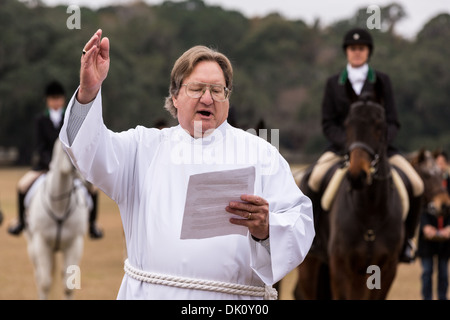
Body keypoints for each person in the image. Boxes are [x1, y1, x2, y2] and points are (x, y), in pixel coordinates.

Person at [59, 29, 315, 300]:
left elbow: (299, 223)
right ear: (176, 95)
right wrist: (89, 91)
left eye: (217, 90)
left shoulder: (261, 154)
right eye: (197, 88)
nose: (208, 98)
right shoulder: (141, 148)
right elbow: (88, 152)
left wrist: (267, 228)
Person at [303, 27, 424, 263]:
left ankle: (407, 241)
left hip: (381, 151)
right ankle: (314, 239)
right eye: (352, 48)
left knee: (417, 185)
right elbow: (328, 123)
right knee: (313, 180)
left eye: (361, 48)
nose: (357, 52)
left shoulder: (382, 81)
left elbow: (393, 121)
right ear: (346, 52)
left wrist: (378, 146)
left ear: (368, 52)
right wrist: (349, 145)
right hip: (341, 149)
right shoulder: (332, 83)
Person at [8, 80, 104, 239]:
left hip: (70, 166)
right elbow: (40, 146)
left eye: (58, 98)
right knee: (22, 186)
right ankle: (20, 222)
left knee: (93, 189)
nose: (56, 102)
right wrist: (52, 164)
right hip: (45, 166)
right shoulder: (40, 120)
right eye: (52, 98)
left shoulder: (70, 118)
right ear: (47, 100)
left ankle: (93, 225)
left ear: (63, 99)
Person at [417, 149, 450, 300]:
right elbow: (421, 206)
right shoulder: (427, 182)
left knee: (443, 273)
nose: (439, 166)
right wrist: (425, 226)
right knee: (427, 272)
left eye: (442, 163)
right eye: (437, 163)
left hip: (446, 238)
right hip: (427, 237)